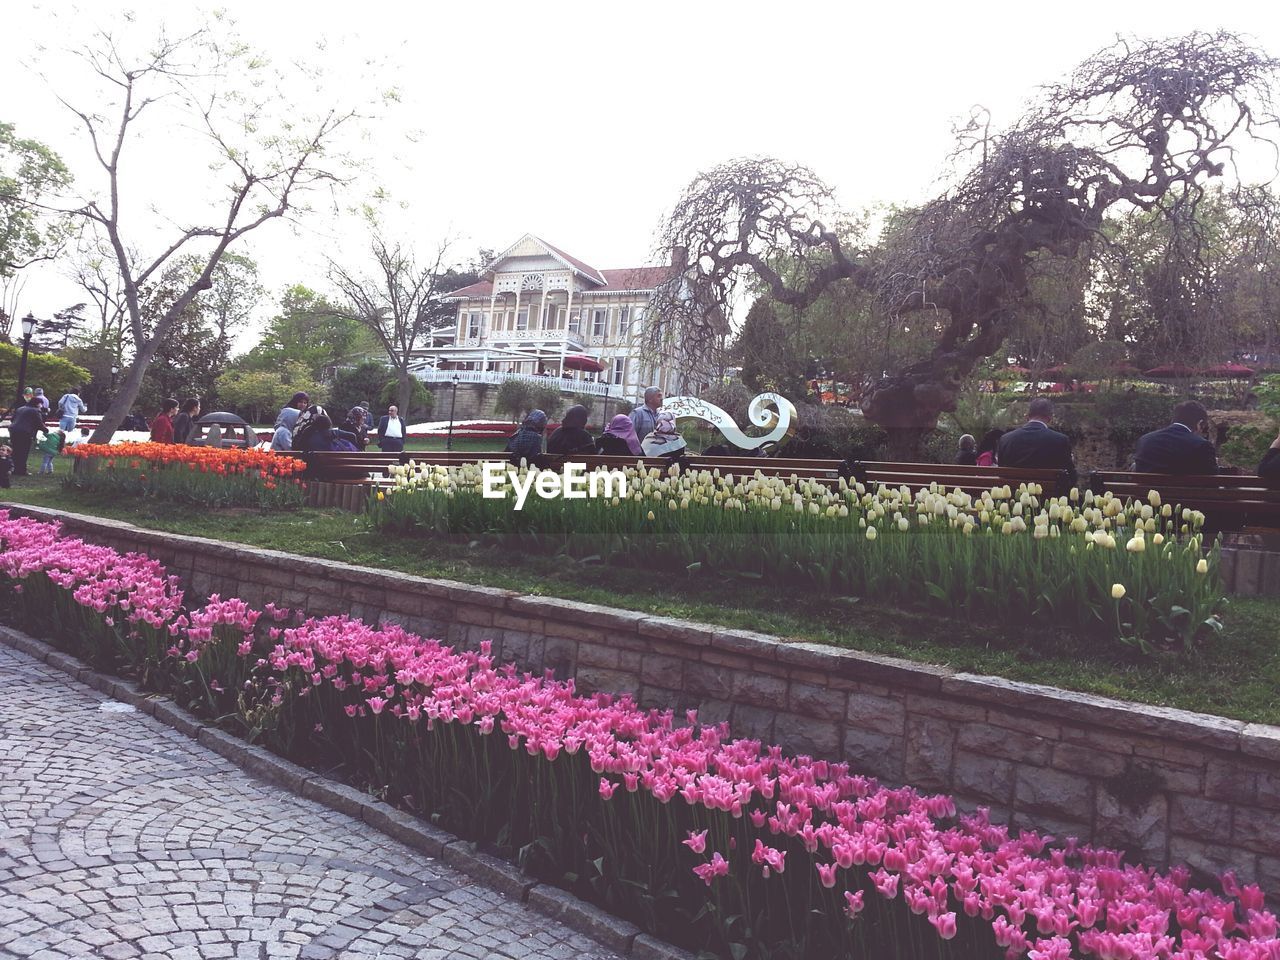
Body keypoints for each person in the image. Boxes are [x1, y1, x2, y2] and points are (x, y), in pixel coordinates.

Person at [997, 398, 1077, 487]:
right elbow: (1071, 477)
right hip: (1049, 497)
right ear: (1050, 418)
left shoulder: (1005, 439)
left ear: (1027, 416)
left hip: (1014, 496)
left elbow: (1001, 472)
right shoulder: (1060, 440)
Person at [1133, 401, 1218, 475]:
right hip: (1185, 493)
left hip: (1147, 493)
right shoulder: (1202, 445)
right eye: (1203, 427)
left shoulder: (1144, 440)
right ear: (1200, 423)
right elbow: (1212, 479)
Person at [9, 399, 49, 476]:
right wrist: (46, 430)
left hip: (13, 431)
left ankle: (15, 469)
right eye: (41, 404)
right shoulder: (35, 410)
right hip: (25, 432)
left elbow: (12, 419)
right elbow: (39, 423)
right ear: (37, 404)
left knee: (16, 450)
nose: (41, 406)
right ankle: (22, 470)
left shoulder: (20, 408)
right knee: (24, 451)